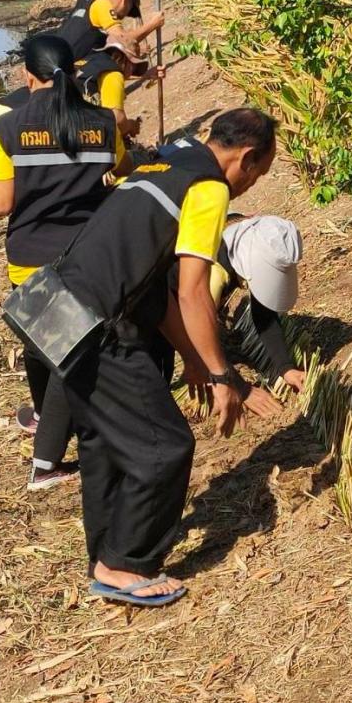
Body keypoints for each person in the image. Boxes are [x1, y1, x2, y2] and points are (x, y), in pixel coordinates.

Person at [53, 108, 280, 606]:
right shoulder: (208, 188)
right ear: (247, 157)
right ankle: (126, 564)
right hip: (98, 322)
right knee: (164, 446)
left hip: (54, 309)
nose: (251, 185)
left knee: (103, 443)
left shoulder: (166, 163)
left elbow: (159, 294)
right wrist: (223, 376)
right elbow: (193, 292)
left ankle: (105, 557)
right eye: (259, 173)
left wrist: (196, 359)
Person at [0, 34, 132, 492]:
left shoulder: (8, 127)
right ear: (74, 72)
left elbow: (0, 203)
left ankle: (44, 460)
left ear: (27, 76)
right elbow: (122, 168)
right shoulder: (103, 122)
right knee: (56, 347)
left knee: (55, 350)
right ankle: (45, 429)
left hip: (29, 257)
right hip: (86, 255)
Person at [213, 216, 307, 392]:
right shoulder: (213, 275)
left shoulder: (259, 240)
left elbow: (264, 315)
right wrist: (238, 388)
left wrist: (285, 368)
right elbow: (194, 333)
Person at [76, 35, 165, 139]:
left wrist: (145, 75)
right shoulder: (113, 75)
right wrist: (131, 125)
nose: (132, 72)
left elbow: (105, 80)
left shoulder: (92, 60)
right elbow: (117, 121)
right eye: (133, 67)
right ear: (121, 58)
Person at [59, 0, 165, 60]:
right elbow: (124, 40)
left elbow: (110, 46)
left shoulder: (91, 3)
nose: (124, 16)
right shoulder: (102, 5)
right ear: (125, 0)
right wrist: (153, 24)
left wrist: (145, 74)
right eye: (129, 10)